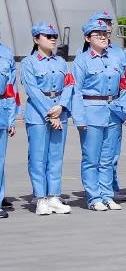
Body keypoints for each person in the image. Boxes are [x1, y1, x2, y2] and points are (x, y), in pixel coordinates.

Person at [72, 18, 126, 211]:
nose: (103, 37)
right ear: (88, 38)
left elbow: (123, 86)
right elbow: (76, 91)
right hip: (91, 112)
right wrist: (79, 118)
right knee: (91, 158)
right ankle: (93, 197)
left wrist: (124, 109)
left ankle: (107, 195)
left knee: (107, 158)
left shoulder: (114, 58)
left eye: (105, 34)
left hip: (112, 111)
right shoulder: (82, 60)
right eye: (98, 34)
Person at [22, 22, 74, 216]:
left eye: (54, 36)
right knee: (38, 157)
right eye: (47, 36)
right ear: (36, 39)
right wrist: (50, 113)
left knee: (56, 156)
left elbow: (69, 85)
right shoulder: (29, 63)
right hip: (38, 114)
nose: (52, 39)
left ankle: (53, 196)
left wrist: (61, 107)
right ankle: (41, 198)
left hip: (60, 111)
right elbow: (32, 90)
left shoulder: (61, 62)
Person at [0, 32, 18, 219]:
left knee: (0, 159)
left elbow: (11, 88)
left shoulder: (6, 54)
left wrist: (12, 117)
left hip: (1, 110)